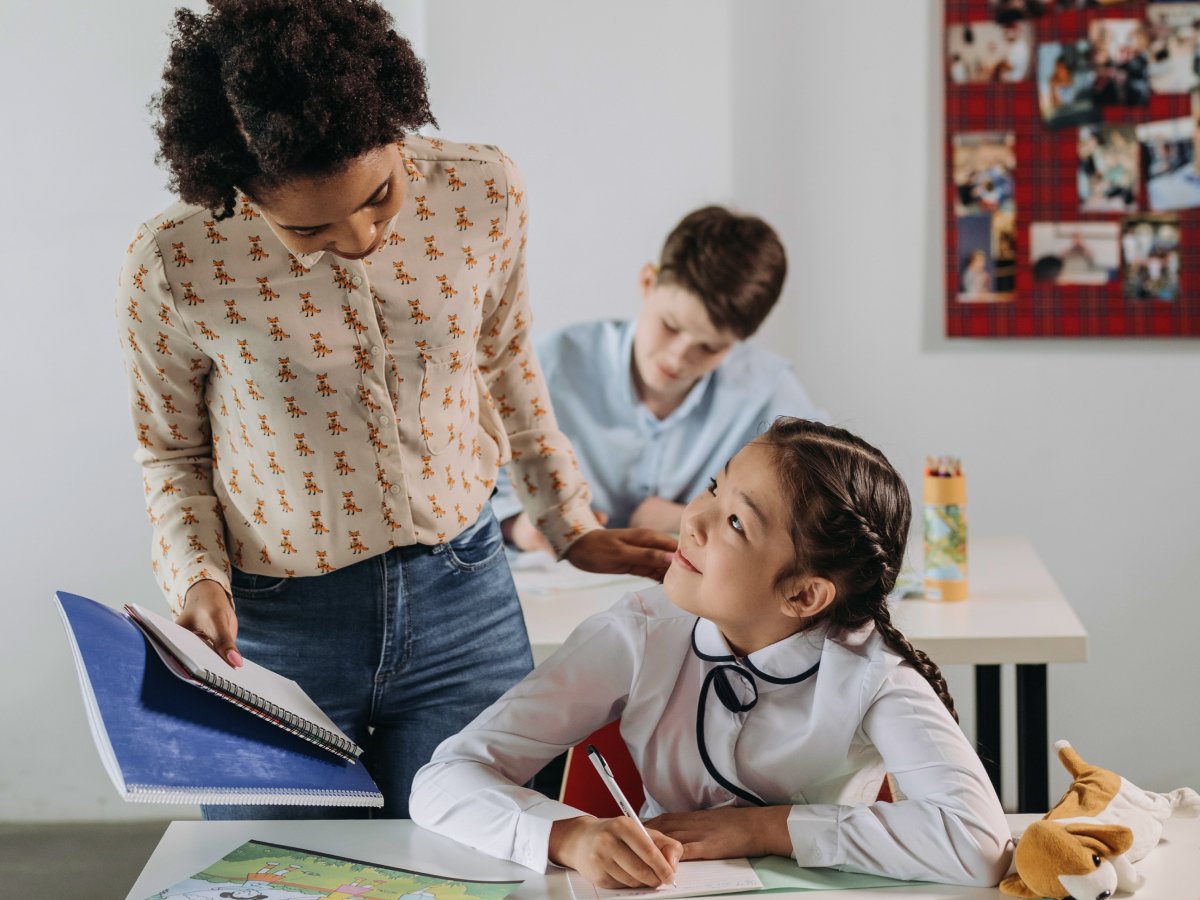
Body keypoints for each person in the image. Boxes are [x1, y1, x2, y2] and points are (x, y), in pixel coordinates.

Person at [115, 0, 675, 819]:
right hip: (274, 629)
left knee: (484, 863)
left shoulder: (483, 191)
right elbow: (170, 452)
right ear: (240, 191)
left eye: (380, 196)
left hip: (466, 597)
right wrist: (194, 577)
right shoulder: (174, 261)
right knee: (283, 875)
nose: (360, 239)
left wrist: (570, 522)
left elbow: (505, 360)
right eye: (309, 232)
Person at [411, 418, 1012, 890]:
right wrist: (568, 836)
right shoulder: (640, 631)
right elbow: (442, 780)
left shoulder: (870, 672)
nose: (693, 520)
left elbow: (979, 843)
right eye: (713, 488)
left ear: (804, 593)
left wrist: (763, 828)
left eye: (735, 522)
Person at [493, 206, 826, 550]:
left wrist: (689, 516)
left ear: (738, 343)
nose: (679, 357)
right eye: (670, 325)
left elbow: (823, 505)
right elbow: (465, 480)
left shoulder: (767, 390)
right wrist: (519, 526)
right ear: (647, 282)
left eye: (709, 347)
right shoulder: (550, 364)